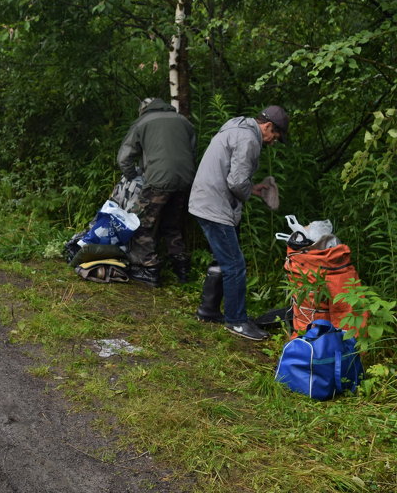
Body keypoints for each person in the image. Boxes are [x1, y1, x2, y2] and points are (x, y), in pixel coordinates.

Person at [188, 105, 288, 341]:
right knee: (235, 265)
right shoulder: (249, 140)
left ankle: (208, 310)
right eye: (275, 136)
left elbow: (229, 175)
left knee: (222, 259)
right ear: (268, 126)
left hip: (204, 200)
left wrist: (253, 190)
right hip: (215, 206)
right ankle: (237, 321)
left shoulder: (236, 128)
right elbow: (235, 182)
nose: (273, 142)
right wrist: (245, 191)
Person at [116, 97, 197, 287]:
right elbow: (192, 152)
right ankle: (182, 269)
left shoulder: (143, 122)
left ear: (143, 109)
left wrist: (132, 176)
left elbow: (124, 157)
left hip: (158, 180)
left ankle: (149, 269)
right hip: (185, 180)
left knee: (140, 223)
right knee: (172, 224)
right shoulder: (184, 121)